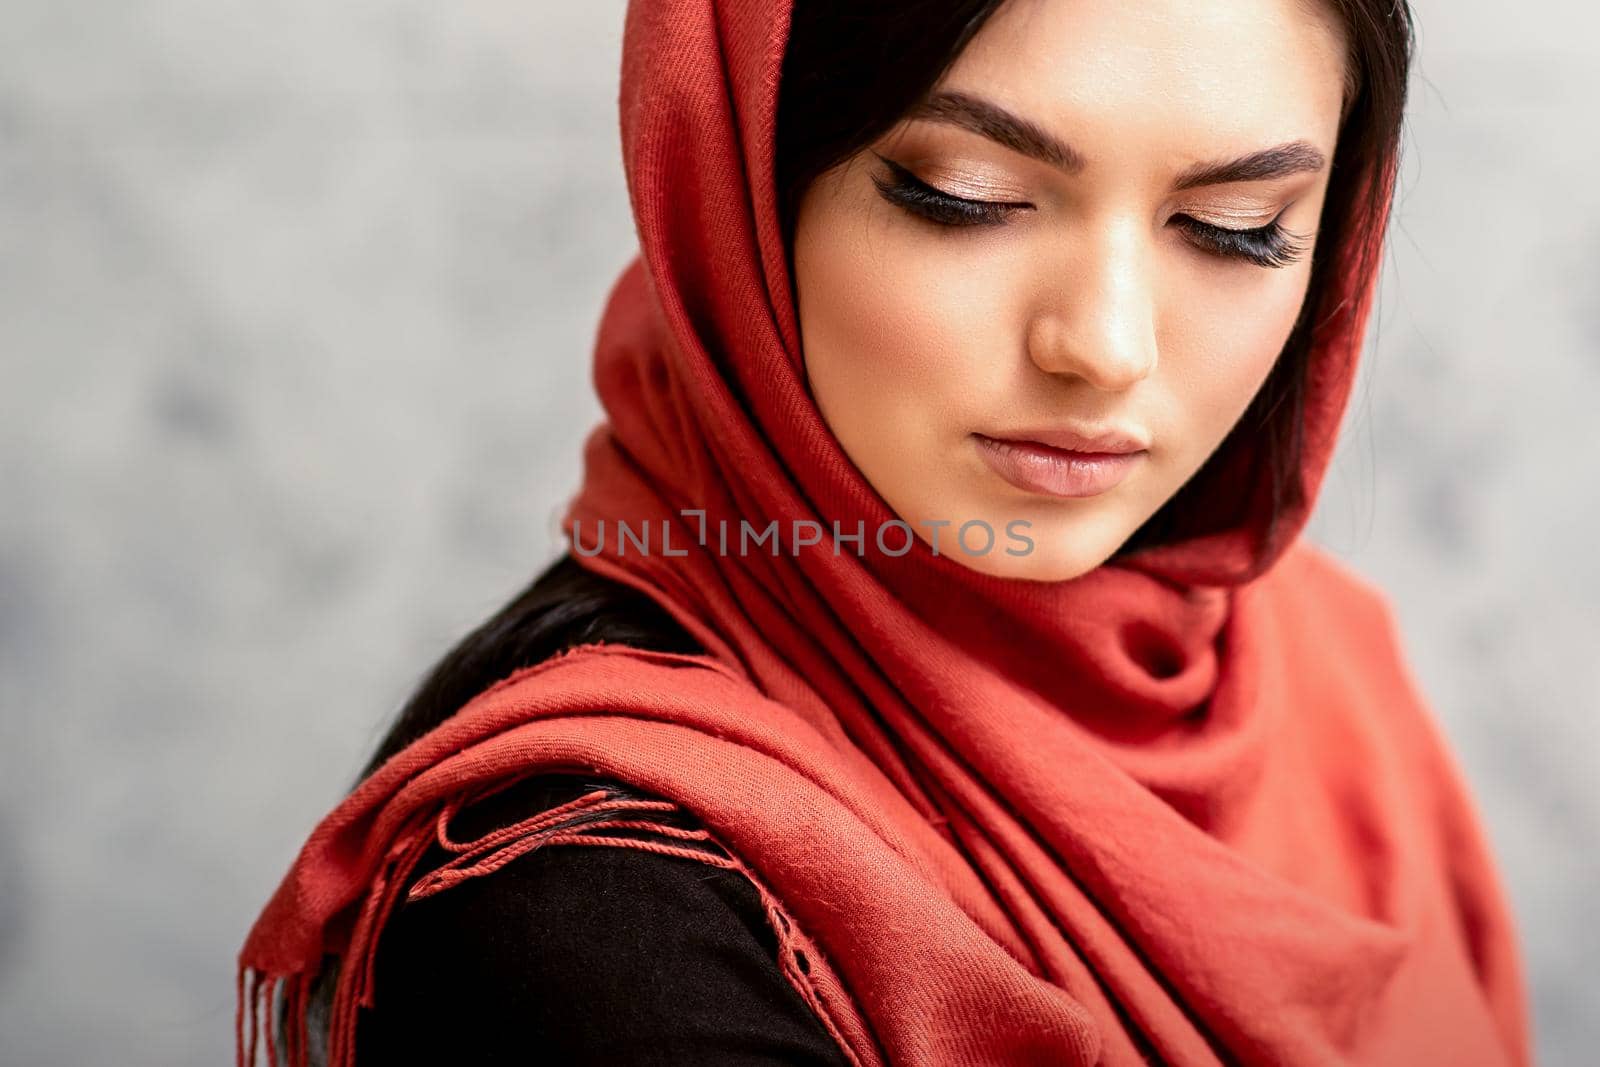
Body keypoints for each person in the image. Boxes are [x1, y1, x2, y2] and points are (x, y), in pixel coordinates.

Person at [237, 1, 1535, 1065]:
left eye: (1237, 230)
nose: (1106, 344)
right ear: (738, 189)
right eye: (964, 195)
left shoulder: (1315, 664)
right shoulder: (588, 913)